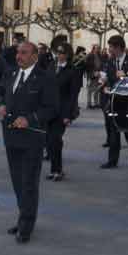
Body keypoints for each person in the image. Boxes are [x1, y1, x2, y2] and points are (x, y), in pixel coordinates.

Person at [0, 41, 59, 244]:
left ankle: (26, 226)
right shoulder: (11, 73)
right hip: (10, 136)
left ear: (34, 57)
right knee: (17, 182)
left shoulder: (45, 78)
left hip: (31, 137)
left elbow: (52, 108)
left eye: (24, 53)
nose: (18, 56)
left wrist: (30, 119)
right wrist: (1, 105)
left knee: (28, 183)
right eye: (18, 53)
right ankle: (23, 216)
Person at [100, 35, 128, 169]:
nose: (109, 50)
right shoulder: (110, 61)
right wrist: (105, 82)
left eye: (111, 47)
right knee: (113, 131)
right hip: (113, 99)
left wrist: (127, 75)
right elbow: (109, 77)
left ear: (118, 47)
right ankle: (112, 160)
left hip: (127, 100)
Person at [46, 44, 83, 181]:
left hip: (62, 111)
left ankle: (57, 170)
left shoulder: (72, 70)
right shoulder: (51, 66)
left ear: (67, 54)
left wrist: (68, 115)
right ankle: (54, 169)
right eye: (57, 52)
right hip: (48, 110)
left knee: (55, 139)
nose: (59, 55)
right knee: (48, 141)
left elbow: (73, 95)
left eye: (61, 53)